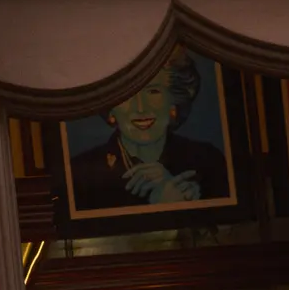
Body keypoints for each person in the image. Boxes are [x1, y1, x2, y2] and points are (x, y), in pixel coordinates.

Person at [67, 47, 231, 212]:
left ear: (173, 104)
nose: (140, 108)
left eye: (153, 91)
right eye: (127, 94)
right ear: (111, 111)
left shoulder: (208, 161)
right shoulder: (80, 172)